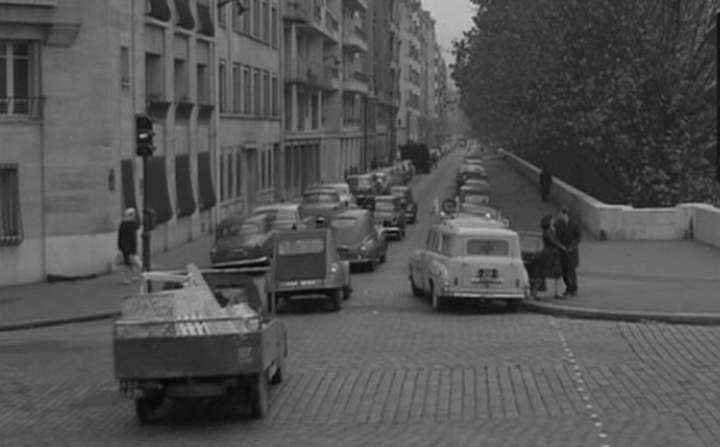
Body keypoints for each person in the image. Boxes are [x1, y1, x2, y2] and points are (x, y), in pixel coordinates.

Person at [533, 214, 566, 299]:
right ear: (548, 222)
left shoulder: (552, 230)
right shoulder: (547, 232)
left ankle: (558, 293)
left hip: (552, 254)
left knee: (557, 274)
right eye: (552, 219)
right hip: (549, 255)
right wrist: (561, 246)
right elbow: (553, 241)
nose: (553, 220)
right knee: (542, 274)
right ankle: (535, 293)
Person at [555, 206, 581, 297]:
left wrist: (572, 246)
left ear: (565, 214)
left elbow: (578, 237)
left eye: (560, 214)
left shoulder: (574, 224)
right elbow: (556, 236)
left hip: (571, 251)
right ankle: (568, 287)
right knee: (564, 271)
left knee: (571, 270)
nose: (559, 215)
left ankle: (573, 288)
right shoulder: (557, 224)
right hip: (562, 251)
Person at [117, 207, 142, 284]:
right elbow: (137, 227)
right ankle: (133, 276)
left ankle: (131, 277)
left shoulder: (123, 224)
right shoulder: (132, 224)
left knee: (128, 263)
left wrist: (120, 246)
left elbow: (120, 236)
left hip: (125, 247)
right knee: (133, 262)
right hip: (130, 246)